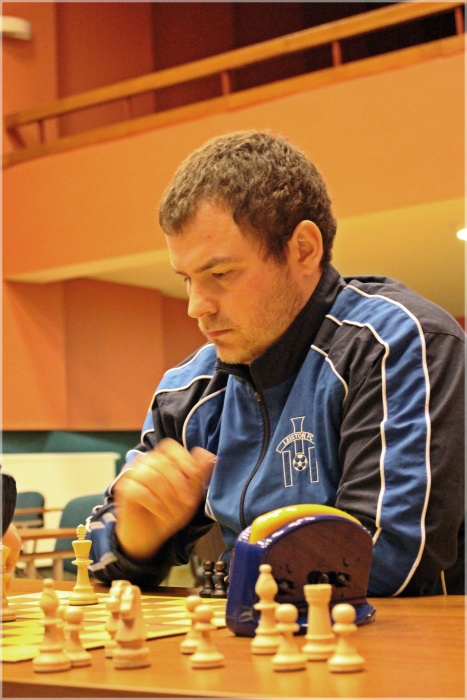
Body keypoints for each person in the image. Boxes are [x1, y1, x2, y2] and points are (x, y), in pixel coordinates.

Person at [88, 130, 465, 596]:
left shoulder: (396, 344)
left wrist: (235, 577)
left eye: (219, 273)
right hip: (256, 630)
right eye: (186, 279)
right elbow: (99, 545)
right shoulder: (189, 389)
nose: (196, 306)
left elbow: (385, 558)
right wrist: (135, 543)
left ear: (303, 249)